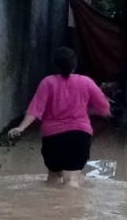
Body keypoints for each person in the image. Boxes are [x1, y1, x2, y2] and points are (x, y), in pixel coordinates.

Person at [8, 47, 111, 188]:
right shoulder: (86, 82)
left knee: (53, 179)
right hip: (79, 136)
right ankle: (67, 209)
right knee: (72, 181)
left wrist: (21, 127)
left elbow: (35, 110)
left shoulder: (47, 83)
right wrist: (89, 110)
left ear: (56, 65)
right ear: (75, 65)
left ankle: (50, 208)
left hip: (53, 138)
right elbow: (104, 109)